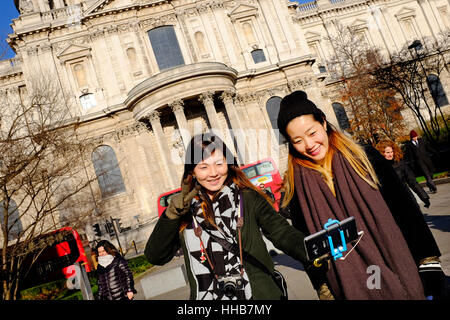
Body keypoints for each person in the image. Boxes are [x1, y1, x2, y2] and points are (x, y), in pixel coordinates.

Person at [277, 90, 444, 300]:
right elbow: (308, 245)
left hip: (398, 266)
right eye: (297, 140)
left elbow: (405, 208)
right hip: (348, 284)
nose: (309, 145)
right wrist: (323, 287)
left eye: (312, 133)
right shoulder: (296, 186)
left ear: (323, 123)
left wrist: (428, 260)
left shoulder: (364, 157)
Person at [145, 133, 309, 300]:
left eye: (219, 163)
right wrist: (171, 215)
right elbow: (155, 256)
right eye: (203, 167)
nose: (214, 173)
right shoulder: (184, 210)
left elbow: (282, 233)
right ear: (192, 172)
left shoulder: (248, 197)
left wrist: (312, 250)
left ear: (228, 163)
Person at [377, 140, 430, 208]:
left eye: (391, 152)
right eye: (387, 152)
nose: (390, 154)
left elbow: (412, 182)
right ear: (382, 153)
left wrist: (424, 197)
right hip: (391, 202)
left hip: (407, 197)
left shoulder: (400, 163)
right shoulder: (378, 168)